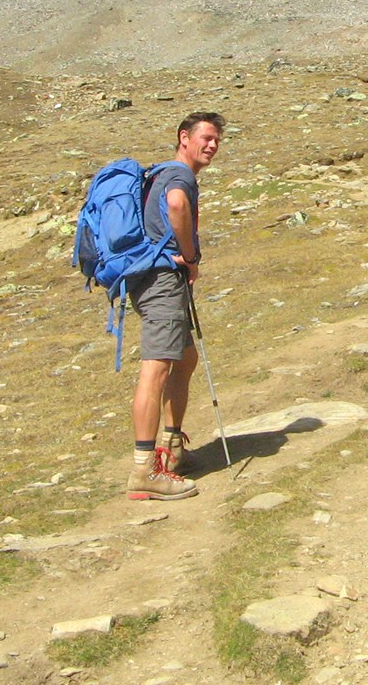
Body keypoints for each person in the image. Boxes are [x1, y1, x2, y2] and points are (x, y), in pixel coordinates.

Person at [126, 112, 224, 500]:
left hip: (155, 278)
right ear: (184, 137)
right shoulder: (179, 176)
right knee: (156, 369)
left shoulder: (162, 173)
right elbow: (177, 205)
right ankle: (145, 470)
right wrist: (190, 256)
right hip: (163, 280)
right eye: (206, 138)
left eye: (217, 140)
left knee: (184, 358)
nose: (213, 145)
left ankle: (172, 446)